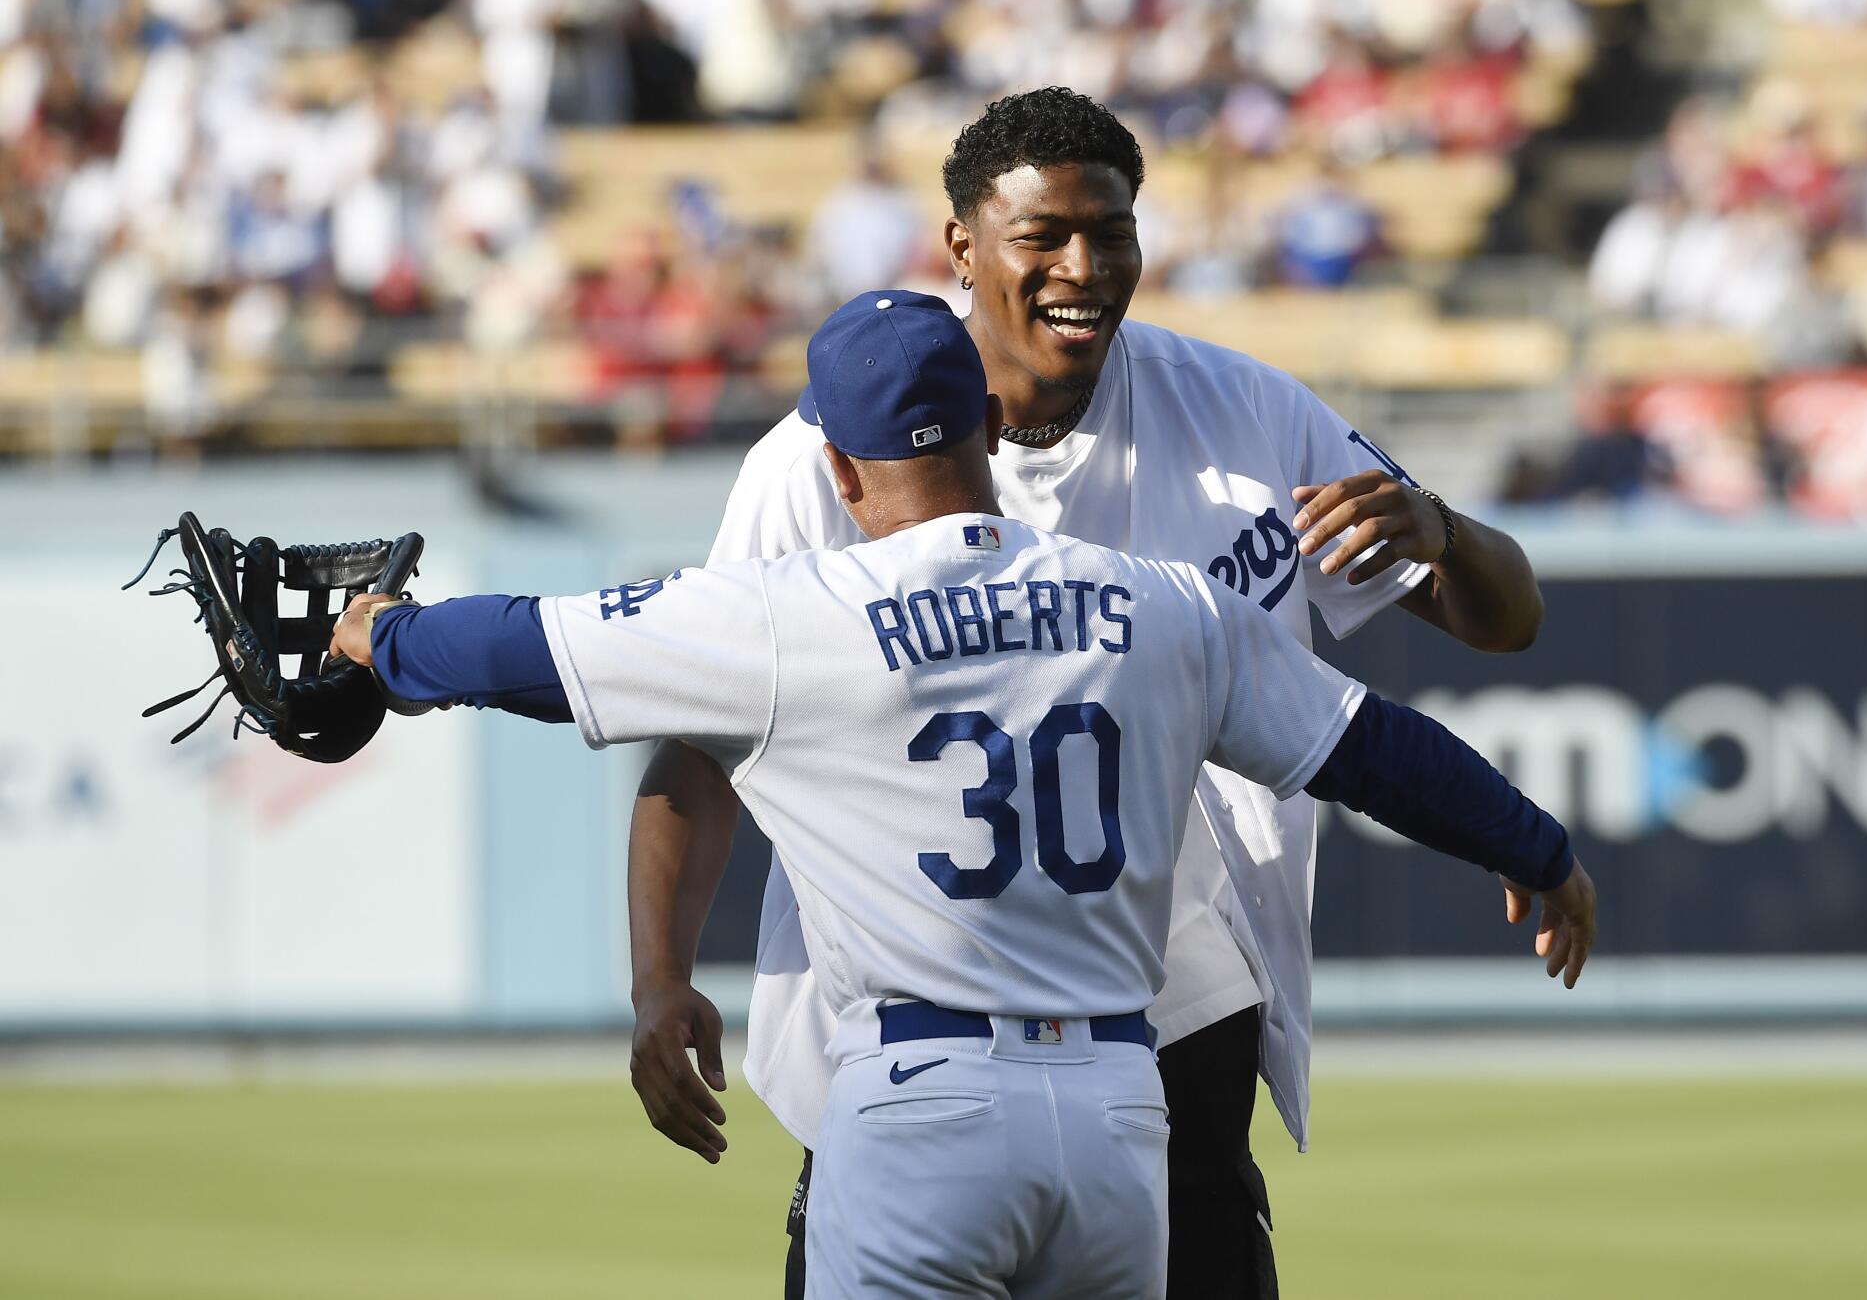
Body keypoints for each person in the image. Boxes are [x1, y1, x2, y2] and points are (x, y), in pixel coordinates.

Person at [329, 289, 1597, 1300]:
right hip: (1116, 1121)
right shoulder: (1158, 605)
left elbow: (517, 650)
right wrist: (1538, 852)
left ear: (835, 466)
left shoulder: (791, 617)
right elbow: (1373, 747)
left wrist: (376, 642)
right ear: (988, 429)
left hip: (918, 1103)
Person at [629, 88, 1548, 1300]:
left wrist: (1438, 531)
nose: (1084, 266)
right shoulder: (817, 461)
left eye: (1110, 233)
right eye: (1044, 235)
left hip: (1172, 1009)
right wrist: (656, 980)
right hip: (907, 1027)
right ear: (961, 247)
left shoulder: (1244, 412)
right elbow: (700, 749)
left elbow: (1502, 617)